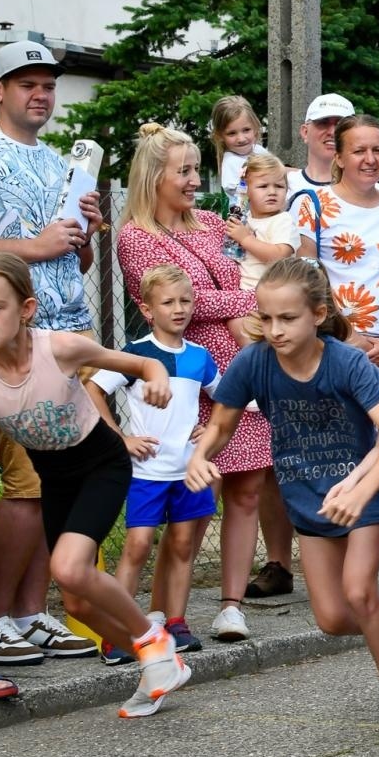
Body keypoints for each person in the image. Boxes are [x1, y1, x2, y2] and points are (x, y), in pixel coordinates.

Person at [186, 256, 379, 736]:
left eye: (288, 318)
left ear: (318, 314)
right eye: (266, 318)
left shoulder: (347, 362)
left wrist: (362, 489)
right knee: (335, 619)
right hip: (309, 497)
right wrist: (199, 456)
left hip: (364, 490)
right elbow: (220, 424)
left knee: (361, 591)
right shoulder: (254, 362)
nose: (275, 330)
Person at [0, 252, 189, 716]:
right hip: (54, 477)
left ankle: (154, 641)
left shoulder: (58, 348)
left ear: (27, 309)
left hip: (101, 464)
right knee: (77, 602)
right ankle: (158, 662)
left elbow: (140, 365)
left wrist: (158, 378)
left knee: (71, 568)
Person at [116, 123, 292, 641]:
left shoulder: (213, 224)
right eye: (185, 171)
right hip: (189, 376)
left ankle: (231, 604)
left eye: (197, 169)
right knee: (192, 496)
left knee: (245, 489)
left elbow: (256, 268)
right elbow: (189, 307)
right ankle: (161, 610)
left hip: (242, 370)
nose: (196, 180)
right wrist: (255, 306)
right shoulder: (136, 237)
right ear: (154, 177)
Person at [0, 41, 106, 673]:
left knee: (57, 481)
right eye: (25, 83)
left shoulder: (61, 162)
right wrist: (33, 246)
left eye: (48, 85)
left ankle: (29, 614)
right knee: (26, 483)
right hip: (8, 342)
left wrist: (80, 234)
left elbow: (76, 259)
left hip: (64, 333)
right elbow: (29, 250)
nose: (40, 94)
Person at [294, 114, 379, 611]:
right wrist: (349, 337)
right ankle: (349, 576)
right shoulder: (313, 204)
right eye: (359, 151)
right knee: (347, 452)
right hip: (338, 349)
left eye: (378, 149)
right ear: (338, 155)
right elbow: (307, 279)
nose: (370, 159)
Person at [85, 264, 221, 660]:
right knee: (138, 546)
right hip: (145, 473)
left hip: (188, 471)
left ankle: (175, 623)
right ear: (147, 310)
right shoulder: (135, 354)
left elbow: (225, 396)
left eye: (185, 300)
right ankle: (119, 632)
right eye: (168, 302)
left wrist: (209, 426)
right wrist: (121, 438)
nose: (179, 309)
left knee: (182, 545)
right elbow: (94, 390)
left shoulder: (200, 357)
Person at [226, 151, 301, 291]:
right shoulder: (244, 219)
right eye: (263, 186)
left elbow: (279, 256)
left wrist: (245, 239)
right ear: (246, 191)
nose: (272, 192)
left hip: (274, 294)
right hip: (244, 291)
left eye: (279, 186)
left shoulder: (283, 221)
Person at [285, 92, 354, 198]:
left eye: (341, 124)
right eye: (323, 123)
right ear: (305, 132)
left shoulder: (371, 192)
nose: (332, 132)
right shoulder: (282, 187)